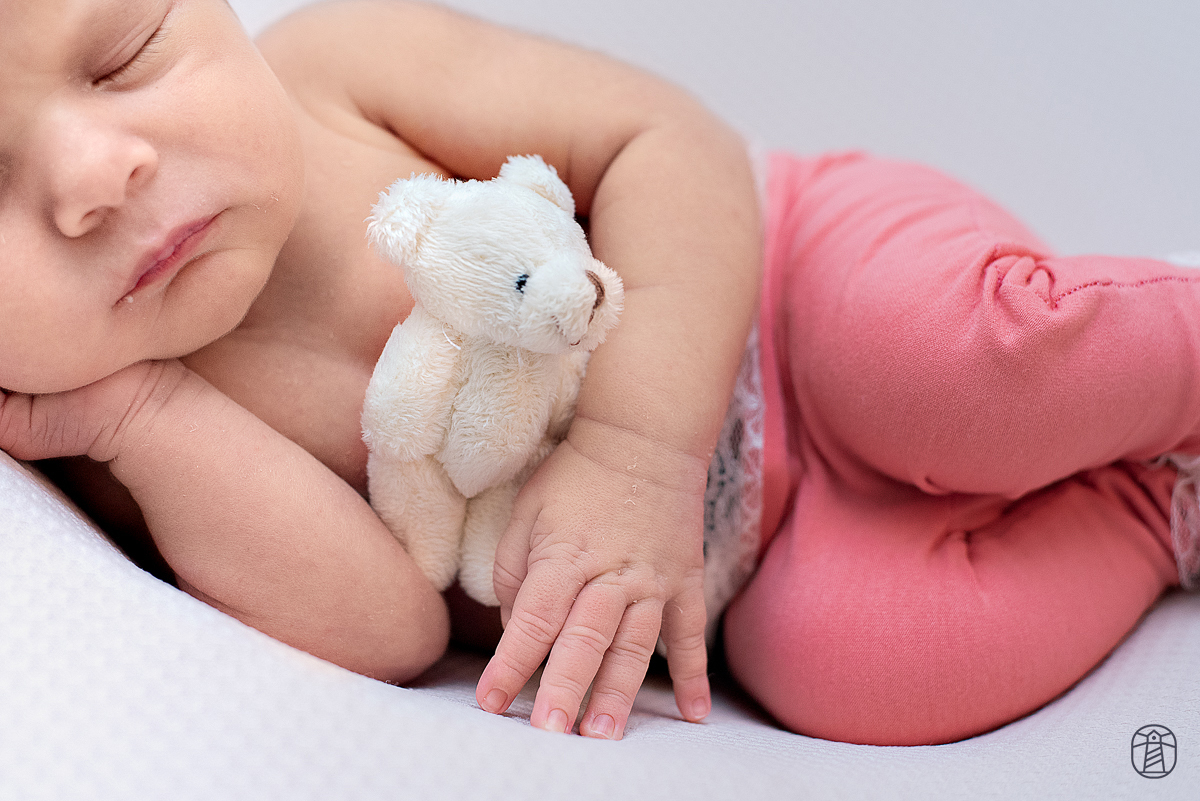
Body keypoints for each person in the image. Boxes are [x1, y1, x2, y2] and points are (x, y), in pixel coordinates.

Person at [0, 0, 1192, 747]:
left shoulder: (336, 67)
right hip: (754, 568)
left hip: (778, 285)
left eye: (124, 54)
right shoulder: (124, 447)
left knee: (942, 367)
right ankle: (1160, 506)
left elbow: (664, 142)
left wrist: (634, 457)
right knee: (857, 669)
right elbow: (391, 627)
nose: (98, 177)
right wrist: (145, 418)